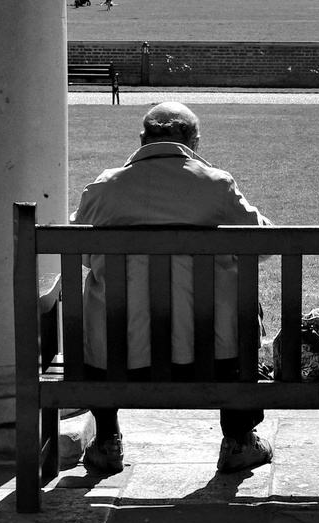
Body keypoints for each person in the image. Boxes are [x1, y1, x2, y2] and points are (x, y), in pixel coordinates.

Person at [72, 102, 273, 474]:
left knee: (102, 311)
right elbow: (263, 245)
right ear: (194, 141)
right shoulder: (216, 184)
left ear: (142, 139)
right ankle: (238, 440)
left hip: (117, 358)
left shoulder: (104, 188)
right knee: (241, 303)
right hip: (214, 358)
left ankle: (106, 440)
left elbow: (82, 256)